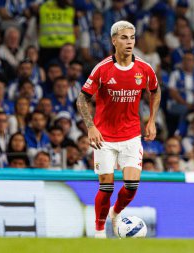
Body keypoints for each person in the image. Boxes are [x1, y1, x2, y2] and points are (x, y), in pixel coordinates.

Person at [76, 20, 161, 238]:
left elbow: (155, 91)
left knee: (132, 186)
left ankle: (116, 213)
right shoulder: (103, 69)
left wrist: (151, 120)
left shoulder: (144, 68)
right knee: (106, 187)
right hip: (104, 137)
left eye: (132, 38)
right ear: (114, 40)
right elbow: (82, 99)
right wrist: (91, 127)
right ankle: (98, 231)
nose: (129, 42)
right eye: (124, 37)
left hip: (131, 135)